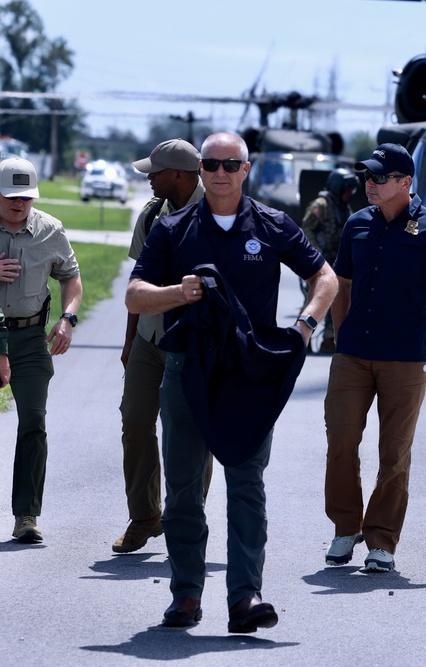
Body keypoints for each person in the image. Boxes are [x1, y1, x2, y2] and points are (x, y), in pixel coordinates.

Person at [125, 132, 336, 632]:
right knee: (181, 490)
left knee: (246, 485)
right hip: (188, 370)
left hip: (248, 374)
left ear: (246, 170)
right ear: (199, 169)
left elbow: (324, 276)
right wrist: (179, 292)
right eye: (212, 164)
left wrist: (306, 324)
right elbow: (135, 295)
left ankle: (245, 597)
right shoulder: (173, 228)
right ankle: (186, 596)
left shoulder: (272, 224)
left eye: (230, 164)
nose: (220, 172)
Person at [322, 143, 426, 573]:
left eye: (379, 177)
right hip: (352, 355)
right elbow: (342, 284)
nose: (369, 183)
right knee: (341, 442)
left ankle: (382, 541)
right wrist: (340, 337)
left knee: (394, 454)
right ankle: (345, 528)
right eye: (367, 176)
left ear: (405, 183)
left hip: (404, 361)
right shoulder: (356, 224)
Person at [112, 138, 210, 554]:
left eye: (154, 171)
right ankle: (145, 516)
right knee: (135, 422)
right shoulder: (152, 214)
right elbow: (138, 281)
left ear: (178, 175)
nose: (148, 178)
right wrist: (130, 339)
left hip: (195, 344)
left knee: (191, 434)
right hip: (151, 338)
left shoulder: (218, 215)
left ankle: (186, 517)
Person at [0, 157, 83, 544]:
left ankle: (26, 515)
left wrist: (67, 318)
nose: (18, 203)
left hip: (30, 339)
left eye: (25, 197)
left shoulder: (50, 230)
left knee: (33, 422)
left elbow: (71, 278)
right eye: (10, 195)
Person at [300, 167, 359, 352]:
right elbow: (306, 229)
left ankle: (329, 339)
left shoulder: (343, 208)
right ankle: (301, 338)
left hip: (337, 263)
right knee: (315, 300)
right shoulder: (321, 205)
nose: (350, 193)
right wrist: (316, 255)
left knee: (338, 299)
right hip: (320, 263)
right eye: (348, 188)